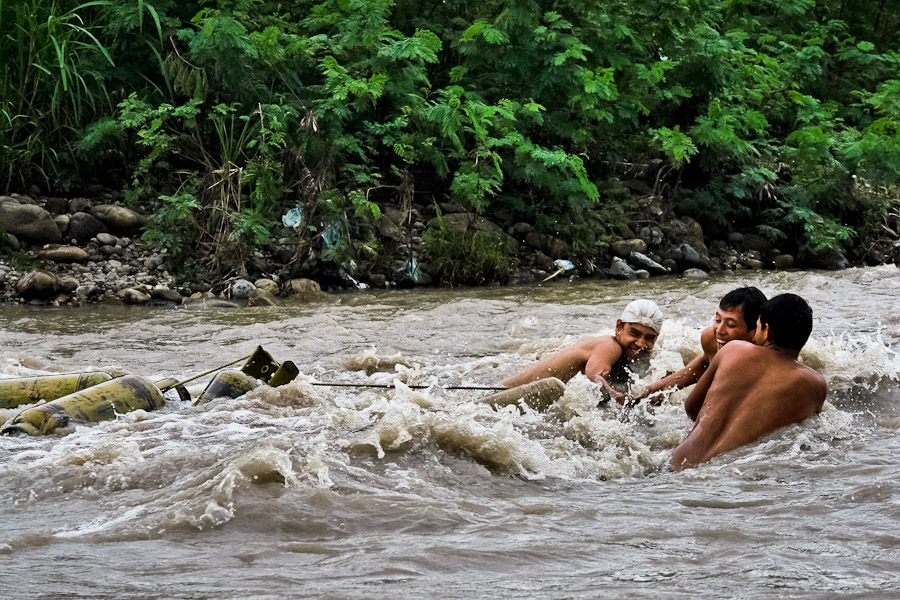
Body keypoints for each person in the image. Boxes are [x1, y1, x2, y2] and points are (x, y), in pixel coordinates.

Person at [670, 293, 827, 471]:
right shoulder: (814, 383)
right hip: (721, 474)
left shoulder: (733, 350)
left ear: (766, 330)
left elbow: (691, 406)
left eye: (758, 326)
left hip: (675, 461)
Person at [500, 299, 663, 405]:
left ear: (655, 339)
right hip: (508, 393)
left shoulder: (641, 355)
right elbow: (595, 376)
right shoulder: (610, 346)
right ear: (619, 327)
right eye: (634, 333)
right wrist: (620, 399)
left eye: (649, 338)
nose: (641, 343)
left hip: (521, 387)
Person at [638, 286, 767, 405]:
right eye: (718, 320)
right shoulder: (710, 339)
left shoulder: (765, 360)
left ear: (755, 330)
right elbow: (705, 363)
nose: (719, 330)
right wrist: (662, 386)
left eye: (731, 325)